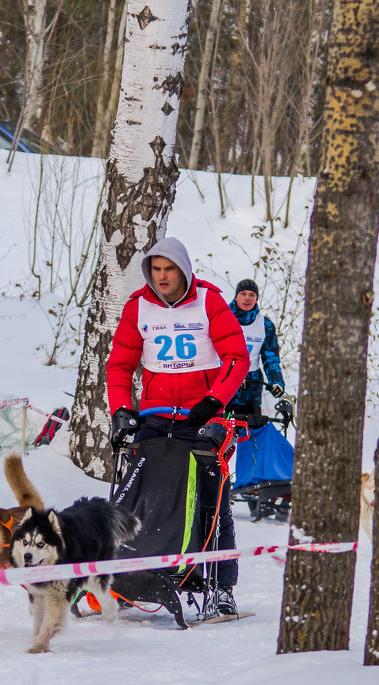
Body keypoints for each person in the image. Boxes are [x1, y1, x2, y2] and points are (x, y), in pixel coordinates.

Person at [106, 237, 250, 615]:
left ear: (184, 270)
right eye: (156, 269)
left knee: (212, 503)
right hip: (154, 417)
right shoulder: (138, 307)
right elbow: (120, 365)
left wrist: (214, 401)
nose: (162, 276)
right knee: (138, 498)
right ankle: (127, 578)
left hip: (202, 417)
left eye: (169, 269)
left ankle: (221, 588)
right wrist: (121, 410)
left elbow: (237, 357)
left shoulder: (209, 301)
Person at [226, 279, 285, 422]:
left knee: (250, 433)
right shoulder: (223, 318)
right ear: (236, 296)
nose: (247, 298)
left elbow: (270, 357)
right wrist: (233, 377)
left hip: (251, 387)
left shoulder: (265, 325)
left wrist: (276, 381)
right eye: (243, 293)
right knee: (221, 432)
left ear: (257, 299)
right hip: (224, 383)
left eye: (252, 294)